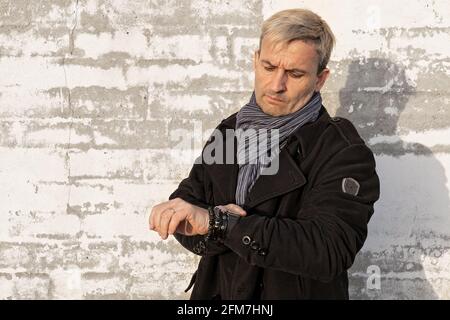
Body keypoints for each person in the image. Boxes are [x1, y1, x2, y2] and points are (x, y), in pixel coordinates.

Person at [149, 8, 380, 300]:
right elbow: (188, 204)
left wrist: (222, 224)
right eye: (269, 67)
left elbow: (328, 249)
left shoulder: (342, 150)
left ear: (320, 79)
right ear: (255, 61)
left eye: (295, 74)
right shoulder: (230, 130)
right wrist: (195, 219)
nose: (276, 85)